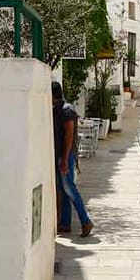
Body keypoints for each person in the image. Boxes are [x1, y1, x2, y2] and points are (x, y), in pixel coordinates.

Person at [52, 81, 93, 237]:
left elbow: (69, 136)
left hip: (65, 156)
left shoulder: (66, 110)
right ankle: (65, 224)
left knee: (69, 188)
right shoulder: (56, 110)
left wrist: (64, 159)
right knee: (63, 190)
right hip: (60, 155)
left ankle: (85, 220)